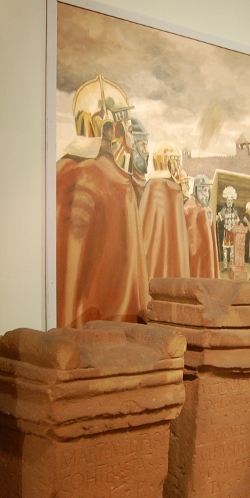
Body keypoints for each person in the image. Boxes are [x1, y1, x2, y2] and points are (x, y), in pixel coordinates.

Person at [56, 76, 147, 327]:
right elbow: (126, 280)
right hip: (108, 331)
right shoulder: (117, 183)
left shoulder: (57, 173)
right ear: (109, 128)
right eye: (122, 128)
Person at [139, 141, 191, 281]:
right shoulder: (161, 187)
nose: (179, 166)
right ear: (167, 162)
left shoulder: (156, 187)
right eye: (176, 161)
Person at [184, 174, 219, 278]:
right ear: (196, 189)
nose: (207, 195)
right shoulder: (190, 207)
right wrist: (204, 215)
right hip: (195, 259)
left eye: (208, 191)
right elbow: (194, 244)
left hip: (204, 256)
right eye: (204, 190)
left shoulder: (204, 208)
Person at [217, 186, 240, 272]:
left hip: (232, 233)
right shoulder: (223, 210)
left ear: (232, 201)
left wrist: (236, 224)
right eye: (228, 200)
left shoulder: (235, 211)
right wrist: (217, 219)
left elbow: (238, 220)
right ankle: (225, 266)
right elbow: (219, 217)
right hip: (226, 233)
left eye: (230, 200)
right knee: (225, 250)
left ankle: (231, 266)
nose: (229, 202)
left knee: (232, 250)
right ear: (226, 201)